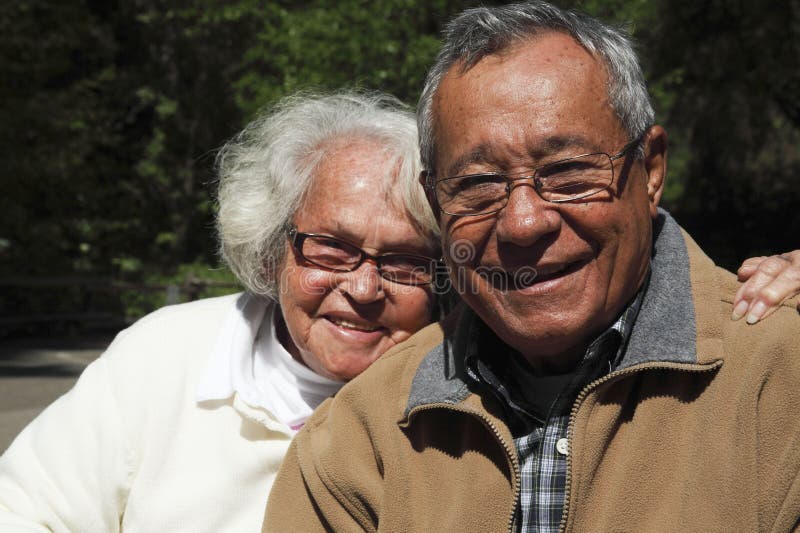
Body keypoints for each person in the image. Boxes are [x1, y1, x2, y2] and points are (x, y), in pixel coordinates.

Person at [265, 3, 800, 532]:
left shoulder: (778, 378)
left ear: (651, 170)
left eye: (568, 173)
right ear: (435, 203)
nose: (523, 222)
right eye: (477, 184)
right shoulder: (359, 442)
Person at [0, 91, 441, 532]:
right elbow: (25, 510)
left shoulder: (463, 399)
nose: (364, 289)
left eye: (405, 261)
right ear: (272, 251)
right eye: (331, 248)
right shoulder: (163, 355)